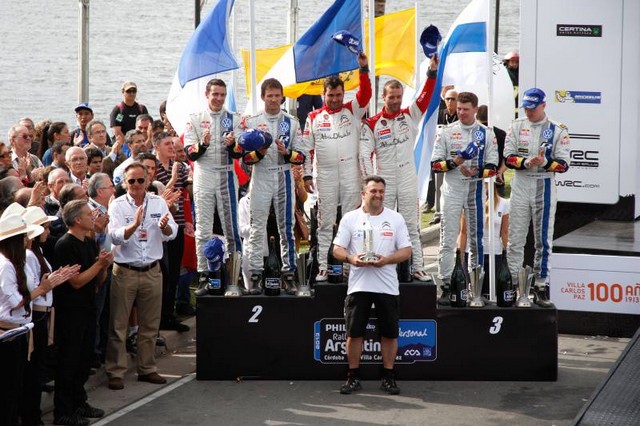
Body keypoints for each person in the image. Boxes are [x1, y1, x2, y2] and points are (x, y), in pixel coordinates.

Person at [360, 55, 438, 282]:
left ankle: (417, 267)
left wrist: (431, 73)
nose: (395, 101)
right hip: (382, 178)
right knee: (378, 221)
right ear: (383, 97)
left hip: (406, 175)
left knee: (410, 223)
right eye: (391, 97)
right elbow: (364, 154)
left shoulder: (410, 115)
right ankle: (375, 262)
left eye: (398, 97)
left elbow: (425, 96)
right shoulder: (372, 123)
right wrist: (369, 183)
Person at [331, 176, 411, 395]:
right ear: (363, 194)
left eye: (381, 191)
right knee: (354, 333)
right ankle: (353, 377)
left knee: (389, 334)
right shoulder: (350, 218)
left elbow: (406, 251)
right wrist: (351, 259)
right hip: (359, 285)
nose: (378, 195)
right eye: (373, 191)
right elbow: (337, 248)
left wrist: (386, 260)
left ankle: (388, 377)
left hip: (387, 286)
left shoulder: (395, 218)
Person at [105, 162, 177, 391]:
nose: (136, 185)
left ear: (147, 181)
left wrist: (165, 227)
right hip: (125, 271)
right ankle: (116, 371)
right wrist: (134, 225)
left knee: (149, 324)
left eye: (140, 180)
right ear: (125, 183)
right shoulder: (117, 205)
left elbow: (172, 232)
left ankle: (147, 368)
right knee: (119, 324)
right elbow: (114, 237)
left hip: (152, 270)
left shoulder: (158, 202)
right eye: (131, 181)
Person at [301, 52, 371, 281]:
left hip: (351, 172)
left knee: (353, 219)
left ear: (344, 94)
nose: (334, 99)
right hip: (326, 174)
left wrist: (363, 69)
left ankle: (352, 265)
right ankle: (323, 266)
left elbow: (366, 93)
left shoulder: (352, 109)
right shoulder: (313, 117)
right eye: (330, 95)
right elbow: (306, 149)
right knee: (324, 221)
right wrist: (307, 175)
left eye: (338, 95)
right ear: (323, 95)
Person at [430, 91, 498, 305]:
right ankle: (447, 285)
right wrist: (455, 163)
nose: (460, 112)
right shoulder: (447, 132)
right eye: (458, 108)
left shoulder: (486, 133)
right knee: (448, 239)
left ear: (476, 110)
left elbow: (493, 167)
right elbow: (435, 164)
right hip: (451, 189)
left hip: (475, 190)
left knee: (476, 239)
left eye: (465, 109)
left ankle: (475, 288)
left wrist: (477, 173)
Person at [504, 88, 570, 307]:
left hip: (544, 184)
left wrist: (544, 163)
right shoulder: (516, 126)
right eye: (526, 107)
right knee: (515, 239)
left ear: (543, 105)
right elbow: (508, 157)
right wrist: (524, 162)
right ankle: (514, 286)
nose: (529, 111)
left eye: (533, 108)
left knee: (543, 240)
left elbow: (564, 165)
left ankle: (541, 286)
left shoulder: (558, 130)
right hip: (521, 184)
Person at [241, 78, 306, 293]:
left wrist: (286, 153)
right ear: (262, 97)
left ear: (282, 97)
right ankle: (256, 275)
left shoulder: (292, 122)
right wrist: (259, 152)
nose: (274, 100)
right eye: (270, 95)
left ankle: (289, 273)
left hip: (284, 176)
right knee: (256, 226)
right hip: (260, 176)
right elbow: (245, 161)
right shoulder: (251, 122)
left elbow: (301, 156)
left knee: (285, 226)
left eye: (277, 96)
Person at [53, 200, 112, 425]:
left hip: (88, 308)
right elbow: (75, 282)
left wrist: (103, 266)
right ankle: (64, 412)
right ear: (77, 219)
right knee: (69, 361)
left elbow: (97, 281)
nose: (92, 218)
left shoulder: (88, 243)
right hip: (71, 313)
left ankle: (79, 402)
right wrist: (98, 266)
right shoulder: (64, 245)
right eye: (89, 214)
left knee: (83, 360)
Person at [183, 78, 243, 290]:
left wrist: (234, 144)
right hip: (204, 174)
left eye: (222, 95)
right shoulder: (195, 118)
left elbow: (240, 153)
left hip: (226, 175)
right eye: (215, 94)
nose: (218, 98)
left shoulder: (234, 119)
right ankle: (204, 274)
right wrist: (203, 144)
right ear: (207, 95)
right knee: (203, 229)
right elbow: (190, 153)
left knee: (231, 229)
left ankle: (234, 274)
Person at [153, 132, 192, 328]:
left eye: (173, 144)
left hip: (177, 225)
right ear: (157, 146)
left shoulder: (182, 168)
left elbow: (188, 191)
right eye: (167, 144)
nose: (171, 147)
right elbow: (159, 195)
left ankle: (169, 314)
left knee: (175, 272)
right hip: (159, 228)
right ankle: (158, 317)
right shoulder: (153, 167)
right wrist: (173, 177)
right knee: (163, 274)